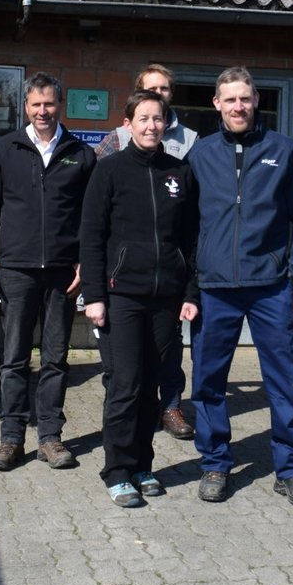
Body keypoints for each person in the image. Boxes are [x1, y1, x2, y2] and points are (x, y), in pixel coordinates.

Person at [186, 66, 293, 507]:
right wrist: (190, 283)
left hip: (270, 286)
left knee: (285, 379)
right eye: (230, 99)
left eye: (245, 98)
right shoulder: (201, 154)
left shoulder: (283, 150)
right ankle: (214, 463)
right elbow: (185, 225)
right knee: (208, 380)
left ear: (257, 100)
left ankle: (292, 470)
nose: (238, 106)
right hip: (214, 286)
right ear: (216, 104)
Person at [80, 90, 200, 507]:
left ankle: (143, 465)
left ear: (167, 124)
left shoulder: (179, 172)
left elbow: (191, 239)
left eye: (158, 118)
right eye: (143, 118)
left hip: (166, 298)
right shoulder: (109, 170)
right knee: (125, 385)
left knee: (151, 386)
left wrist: (189, 291)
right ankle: (116, 470)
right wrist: (94, 295)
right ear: (128, 124)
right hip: (122, 297)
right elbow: (91, 237)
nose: (152, 126)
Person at [0, 72, 96, 473]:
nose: (43, 111)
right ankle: (11, 438)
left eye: (50, 104)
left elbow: (91, 218)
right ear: (25, 107)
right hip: (16, 270)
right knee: (14, 359)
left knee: (56, 359)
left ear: (60, 105)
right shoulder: (5, 149)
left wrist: (85, 263)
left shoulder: (81, 153)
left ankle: (50, 438)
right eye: (36, 104)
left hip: (63, 272)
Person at [93, 62, 199, 440]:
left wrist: (189, 285)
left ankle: (169, 409)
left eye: (165, 90)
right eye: (152, 90)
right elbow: (96, 219)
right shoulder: (114, 147)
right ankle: (122, 435)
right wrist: (94, 285)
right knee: (125, 372)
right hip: (125, 280)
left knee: (166, 358)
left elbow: (190, 224)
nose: (158, 97)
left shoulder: (191, 144)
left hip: (166, 281)